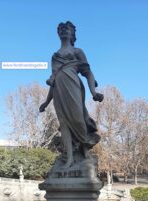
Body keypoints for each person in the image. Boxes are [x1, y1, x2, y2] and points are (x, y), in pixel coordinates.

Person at [39, 21, 103, 168]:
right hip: (58, 91)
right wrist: (46, 102)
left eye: (66, 29)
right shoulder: (54, 56)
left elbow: (88, 73)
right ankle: (69, 158)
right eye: (61, 29)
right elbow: (53, 79)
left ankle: (85, 148)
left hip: (73, 86)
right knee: (64, 123)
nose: (63, 31)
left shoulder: (77, 51)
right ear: (57, 33)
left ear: (72, 33)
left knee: (79, 120)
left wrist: (94, 92)